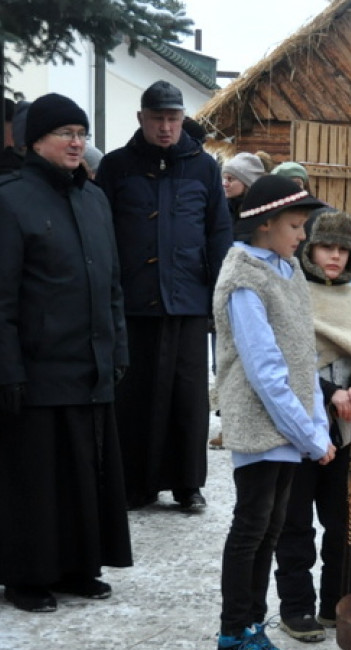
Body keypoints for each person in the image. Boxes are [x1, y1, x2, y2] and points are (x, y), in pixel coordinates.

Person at [0, 93, 133, 613]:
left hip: (89, 363)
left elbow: (111, 284)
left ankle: (76, 566)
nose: (76, 142)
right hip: (36, 365)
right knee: (35, 479)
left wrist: (117, 348)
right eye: (65, 132)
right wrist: (4, 368)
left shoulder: (94, 200)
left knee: (84, 473)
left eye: (81, 132)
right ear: (34, 139)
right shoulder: (8, 197)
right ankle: (25, 575)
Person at [212, 175, 333, 650]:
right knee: (250, 530)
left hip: (289, 427)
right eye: (295, 225)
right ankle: (232, 638)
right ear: (264, 224)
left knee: (269, 531)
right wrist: (309, 436)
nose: (302, 235)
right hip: (261, 426)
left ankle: (251, 631)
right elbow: (264, 370)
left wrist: (317, 427)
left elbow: (304, 360)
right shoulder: (245, 278)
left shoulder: (285, 271)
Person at [96, 81, 233, 512]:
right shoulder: (117, 167)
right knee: (134, 396)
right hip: (133, 302)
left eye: (173, 119)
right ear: (142, 118)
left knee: (188, 397)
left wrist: (217, 296)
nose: (166, 128)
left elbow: (218, 233)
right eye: (158, 119)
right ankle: (136, 483)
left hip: (187, 301)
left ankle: (187, 484)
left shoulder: (204, 168)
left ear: (182, 120)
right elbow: (101, 234)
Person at [274, 209, 351, 642]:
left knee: (346, 524)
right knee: (295, 524)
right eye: (327, 247)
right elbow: (283, 362)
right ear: (310, 248)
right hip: (295, 430)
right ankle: (297, 608)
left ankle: (338, 604)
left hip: (345, 434)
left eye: (343, 249)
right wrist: (329, 394)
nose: (335, 256)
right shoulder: (288, 295)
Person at [221, 151, 266, 219]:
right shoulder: (221, 208)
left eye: (230, 179)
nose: (224, 184)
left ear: (247, 182)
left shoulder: (260, 212)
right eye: (224, 178)